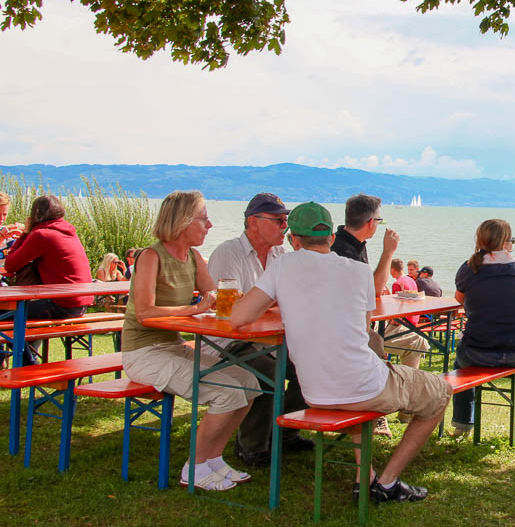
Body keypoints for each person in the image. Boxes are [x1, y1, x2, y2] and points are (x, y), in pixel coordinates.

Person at [231, 202, 452, 505]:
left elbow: (238, 317)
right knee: (440, 391)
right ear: (331, 238)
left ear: (294, 240)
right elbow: (363, 331)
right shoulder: (359, 271)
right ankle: (386, 484)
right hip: (361, 385)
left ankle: (368, 478)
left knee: (353, 389)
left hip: (315, 390)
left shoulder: (280, 266)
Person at [121, 191, 256, 491]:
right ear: (182, 221)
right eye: (204, 218)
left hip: (173, 346)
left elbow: (220, 297)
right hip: (143, 352)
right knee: (226, 393)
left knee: (249, 383)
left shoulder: (194, 257)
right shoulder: (151, 256)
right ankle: (193, 468)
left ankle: (213, 460)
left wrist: (263, 296)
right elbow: (144, 313)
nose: (209, 225)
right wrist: (194, 309)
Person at [207, 193, 312, 467]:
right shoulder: (227, 253)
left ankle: (285, 430)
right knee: (265, 370)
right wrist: (268, 300)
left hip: (267, 338)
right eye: (278, 220)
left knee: (312, 364)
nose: (285, 227)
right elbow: (229, 310)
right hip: (227, 342)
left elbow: (291, 295)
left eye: (286, 221)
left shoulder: (280, 254)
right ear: (253, 222)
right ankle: (251, 445)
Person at [451, 219, 515, 439]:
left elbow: (460, 299)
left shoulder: (469, 268)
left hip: (478, 351)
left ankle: (463, 423)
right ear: (506, 241)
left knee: (460, 362)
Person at [329, 193, 400, 436]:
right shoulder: (343, 249)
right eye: (379, 220)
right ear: (371, 223)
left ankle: (377, 410)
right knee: (375, 342)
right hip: (339, 329)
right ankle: (375, 411)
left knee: (381, 341)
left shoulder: (351, 243)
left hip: (348, 323)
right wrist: (388, 253)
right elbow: (375, 287)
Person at [4, 195, 94, 366]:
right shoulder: (67, 230)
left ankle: (28, 365)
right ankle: (26, 361)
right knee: (17, 317)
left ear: (36, 214)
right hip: (80, 303)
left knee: (7, 314)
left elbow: (10, 264)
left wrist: (25, 232)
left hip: (62, 304)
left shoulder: (42, 235)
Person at [383, 258, 430, 374]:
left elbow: (397, 312)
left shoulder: (397, 284)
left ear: (392, 270)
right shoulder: (412, 280)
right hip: (414, 320)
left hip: (403, 322)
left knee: (382, 334)